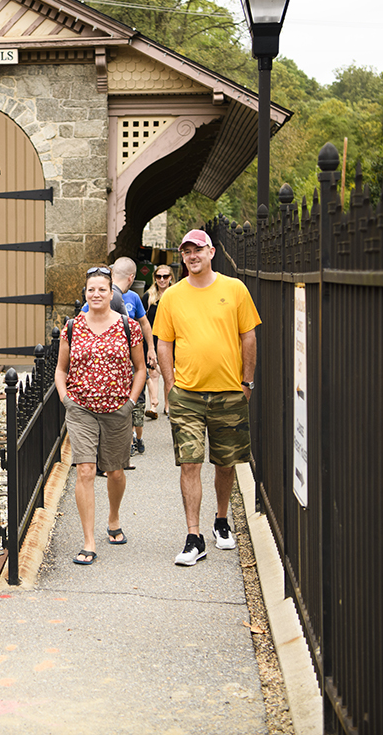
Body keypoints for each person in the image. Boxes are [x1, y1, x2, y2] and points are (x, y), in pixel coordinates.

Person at [153, 229, 260, 567]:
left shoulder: (235, 289)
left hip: (229, 392)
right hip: (187, 394)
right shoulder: (172, 296)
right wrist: (171, 387)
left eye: (197, 250)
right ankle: (193, 536)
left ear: (211, 252)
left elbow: (249, 336)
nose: (192, 256)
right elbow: (163, 344)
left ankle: (221, 519)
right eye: (186, 251)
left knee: (225, 462)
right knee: (190, 462)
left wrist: (247, 383)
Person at [55, 265, 146, 566]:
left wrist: (130, 403)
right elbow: (61, 369)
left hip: (117, 409)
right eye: (91, 289)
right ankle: (88, 541)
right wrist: (66, 399)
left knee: (116, 471)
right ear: (85, 293)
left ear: (112, 293)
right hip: (80, 408)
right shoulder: (72, 327)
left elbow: (141, 369)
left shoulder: (128, 327)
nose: (96, 294)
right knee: (85, 471)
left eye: (102, 289)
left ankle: (114, 517)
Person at [81, 257, 157, 454]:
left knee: (134, 398)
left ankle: (129, 440)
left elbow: (143, 324)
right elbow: (81, 321)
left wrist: (150, 349)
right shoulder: (104, 297)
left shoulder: (132, 298)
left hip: (130, 359)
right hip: (107, 364)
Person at [141, 264, 174, 419]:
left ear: (170, 278)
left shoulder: (176, 295)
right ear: (154, 278)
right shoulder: (148, 297)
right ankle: (153, 406)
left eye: (165, 276)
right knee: (153, 372)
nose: (162, 280)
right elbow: (142, 320)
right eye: (159, 276)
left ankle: (168, 405)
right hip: (153, 339)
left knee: (169, 372)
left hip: (170, 339)